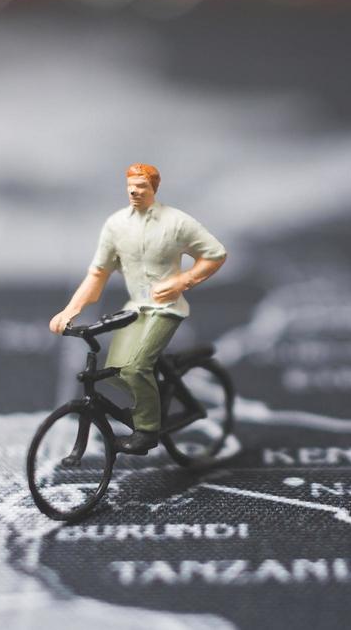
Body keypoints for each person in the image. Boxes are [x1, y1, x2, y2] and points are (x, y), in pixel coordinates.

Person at [49, 164, 227, 454]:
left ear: (154, 187)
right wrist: (71, 309)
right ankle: (153, 402)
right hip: (136, 308)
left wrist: (182, 281)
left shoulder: (176, 222)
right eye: (131, 185)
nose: (134, 191)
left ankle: (147, 430)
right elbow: (97, 274)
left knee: (134, 368)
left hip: (166, 308)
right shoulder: (116, 225)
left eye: (142, 186)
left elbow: (215, 254)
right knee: (115, 371)